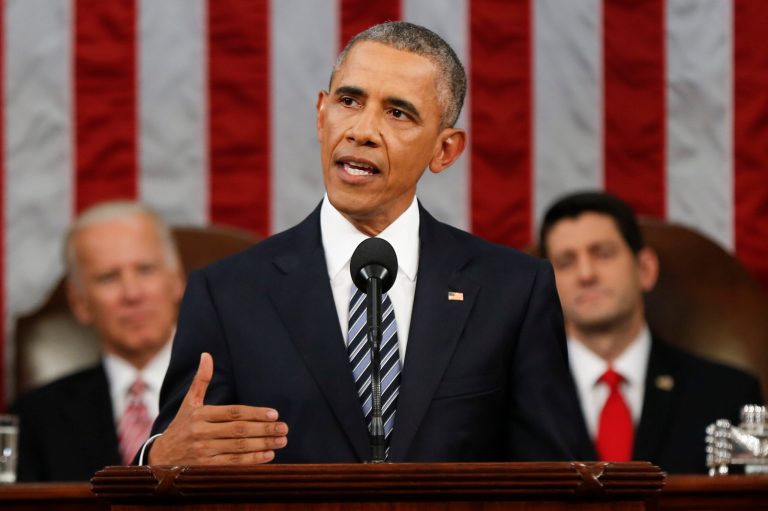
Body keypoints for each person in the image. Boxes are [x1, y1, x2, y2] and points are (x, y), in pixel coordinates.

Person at [144, 21, 591, 465]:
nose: (362, 130)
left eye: (398, 113)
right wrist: (161, 458)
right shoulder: (226, 295)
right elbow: (174, 460)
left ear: (445, 150)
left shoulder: (513, 292)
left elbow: (558, 477)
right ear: (321, 115)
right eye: (349, 101)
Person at [539, 191, 764, 473]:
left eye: (603, 254)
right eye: (565, 262)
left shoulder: (731, 393)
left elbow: (753, 499)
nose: (585, 274)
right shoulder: (515, 401)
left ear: (645, 269)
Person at [10, 201, 185, 481]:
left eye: (145, 270)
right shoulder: (36, 419)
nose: (132, 294)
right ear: (79, 302)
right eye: (108, 278)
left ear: (177, 281)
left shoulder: (234, 396)